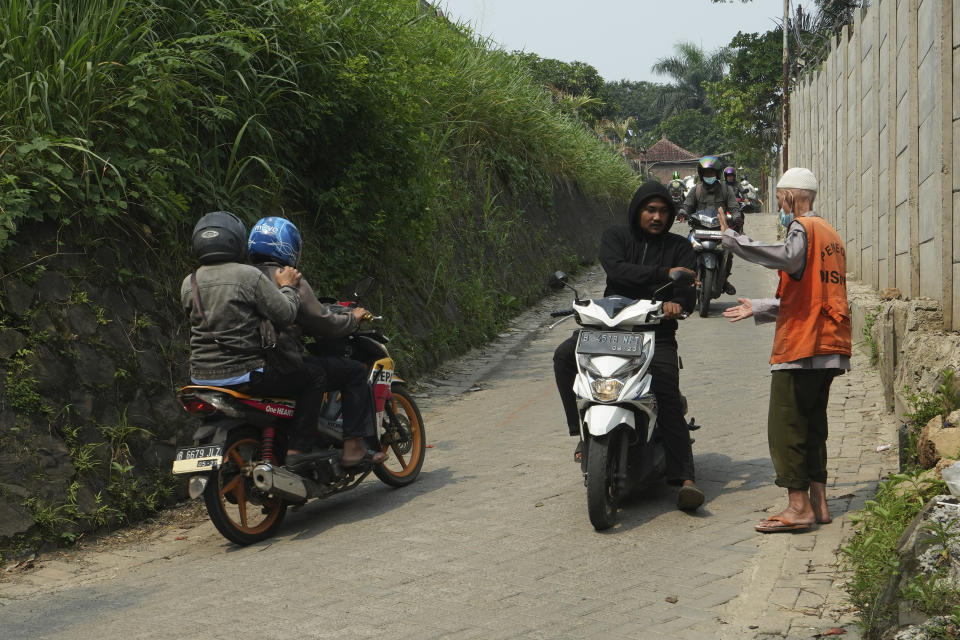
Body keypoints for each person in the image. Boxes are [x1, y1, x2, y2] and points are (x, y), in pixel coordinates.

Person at [552, 181, 704, 510]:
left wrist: (677, 303)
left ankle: (686, 477)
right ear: (637, 211)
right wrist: (664, 273)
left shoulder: (680, 246)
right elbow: (618, 271)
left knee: (665, 390)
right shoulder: (616, 237)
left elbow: (688, 288)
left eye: (663, 211)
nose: (657, 217)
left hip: (655, 332)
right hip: (611, 327)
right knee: (564, 356)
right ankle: (580, 433)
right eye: (650, 210)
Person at [717, 167, 851, 532]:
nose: (779, 206)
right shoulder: (831, 235)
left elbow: (785, 256)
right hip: (830, 344)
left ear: (791, 196)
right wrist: (759, 307)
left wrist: (734, 240)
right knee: (813, 424)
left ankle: (798, 507)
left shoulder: (801, 229)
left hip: (802, 344)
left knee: (785, 427)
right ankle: (819, 504)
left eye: (779, 199)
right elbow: (809, 293)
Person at [245, 216, 387, 468]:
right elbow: (325, 323)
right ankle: (352, 447)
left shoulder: (242, 277)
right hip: (279, 364)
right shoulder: (288, 278)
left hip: (246, 366)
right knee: (351, 372)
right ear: (288, 247)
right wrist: (352, 319)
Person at [679, 155, 743, 294]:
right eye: (707, 173)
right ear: (702, 174)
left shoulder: (726, 190)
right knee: (685, 249)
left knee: (729, 253)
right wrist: (683, 212)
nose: (709, 175)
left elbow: (734, 207)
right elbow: (688, 205)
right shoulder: (696, 190)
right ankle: (685, 279)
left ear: (717, 174)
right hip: (698, 229)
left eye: (712, 173)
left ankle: (724, 280)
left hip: (720, 230)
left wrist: (736, 216)